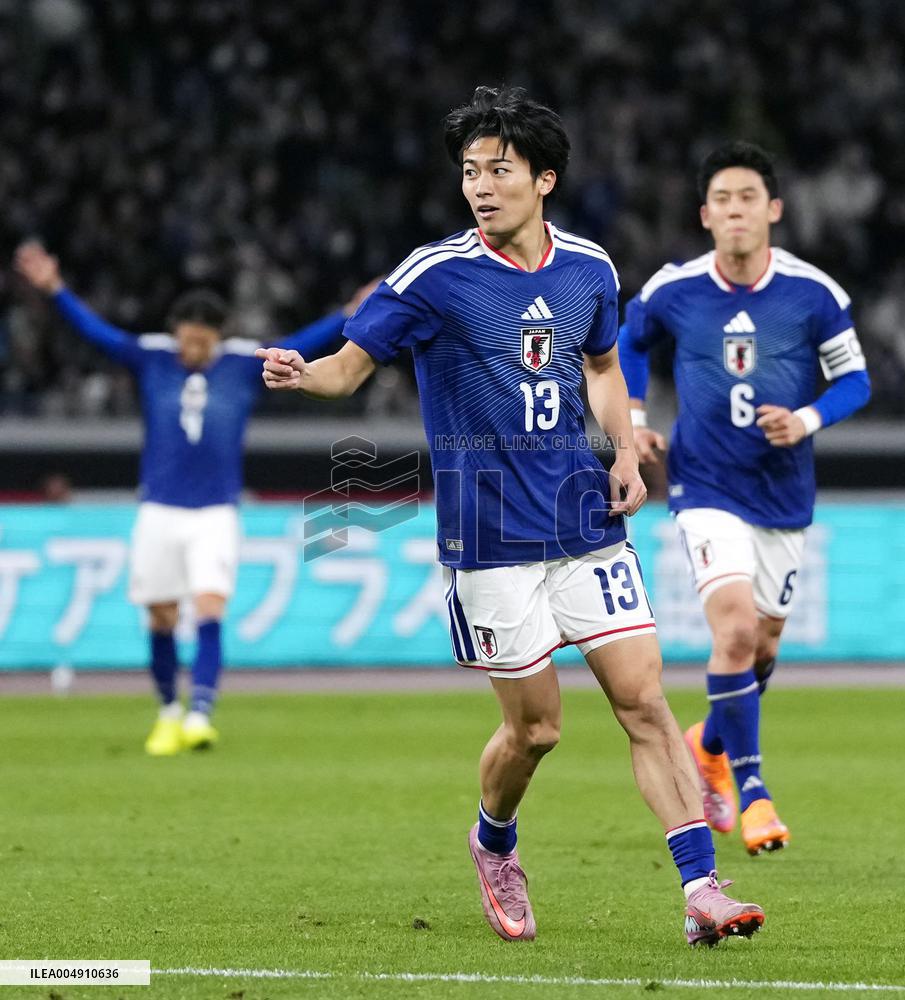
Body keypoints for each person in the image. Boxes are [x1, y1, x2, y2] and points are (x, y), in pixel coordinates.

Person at [256, 87, 764, 947]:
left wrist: (625, 451)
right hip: (490, 539)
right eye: (469, 172)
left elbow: (603, 369)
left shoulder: (590, 270)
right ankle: (494, 841)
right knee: (536, 731)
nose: (481, 186)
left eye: (499, 170)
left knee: (643, 702)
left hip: (581, 520)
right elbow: (348, 369)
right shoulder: (435, 275)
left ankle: (701, 888)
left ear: (544, 178)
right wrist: (301, 373)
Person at [15, 241, 376, 756]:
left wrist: (347, 314)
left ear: (217, 337)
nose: (193, 351)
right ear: (176, 334)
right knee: (161, 616)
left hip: (215, 511)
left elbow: (302, 340)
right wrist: (55, 290)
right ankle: (167, 713)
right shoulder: (151, 356)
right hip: (159, 508)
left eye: (201, 343)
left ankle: (200, 713)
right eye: (187, 342)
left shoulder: (240, 362)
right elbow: (97, 334)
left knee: (209, 606)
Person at [617, 141, 871, 855]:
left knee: (760, 646)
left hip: (783, 491)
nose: (735, 210)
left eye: (748, 197)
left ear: (774, 209)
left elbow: (856, 380)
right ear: (705, 214)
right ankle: (753, 792)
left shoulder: (814, 294)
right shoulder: (674, 289)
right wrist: (635, 424)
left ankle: (709, 745)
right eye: (722, 199)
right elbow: (627, 343)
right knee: (731, 629)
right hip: (704, 483)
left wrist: (806, 419)